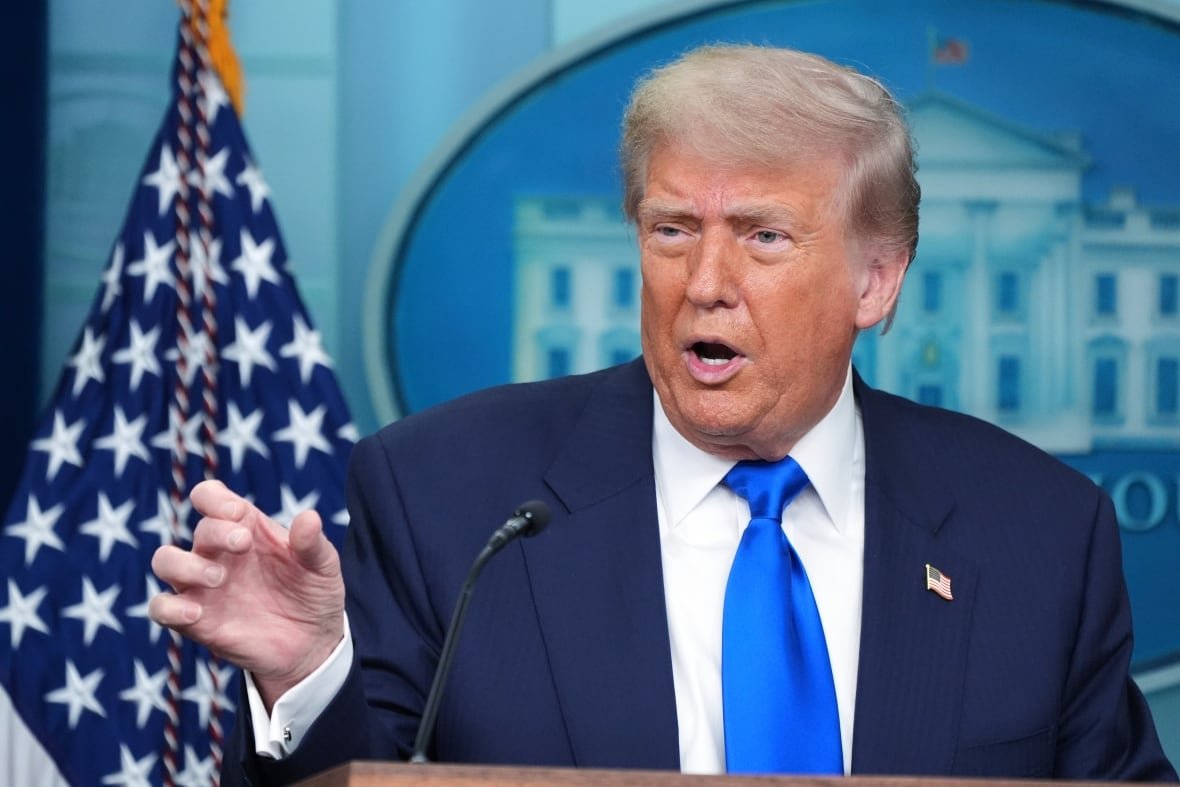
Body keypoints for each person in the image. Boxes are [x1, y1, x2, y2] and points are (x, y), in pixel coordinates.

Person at [150, 44, 1177, 784]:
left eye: (764, 236)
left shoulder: (1039, 531)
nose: (705, 283)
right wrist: (306, 679)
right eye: (672, 229)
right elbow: (372, 773)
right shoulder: (446, 496)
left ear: (875, 280)